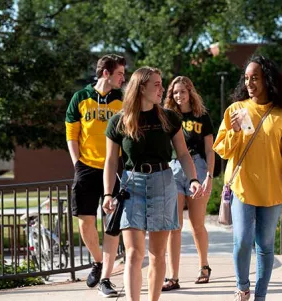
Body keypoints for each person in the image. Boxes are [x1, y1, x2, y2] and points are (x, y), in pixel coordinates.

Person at [102, 67, 203, 301]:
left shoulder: (169, 118)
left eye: (161, 83)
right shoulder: (119, 121)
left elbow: (184, 154)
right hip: (131, 186)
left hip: (163, 184)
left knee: (157, 254)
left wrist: (193, 179)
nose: (162, 88)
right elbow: (109, 161)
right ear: (141, 88)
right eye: (156, 84)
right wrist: (108, 194)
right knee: (134, 254)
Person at [213, 55, 282, 301]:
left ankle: (260, 296)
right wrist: (233, 131)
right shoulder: (237, 110)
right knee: (243, 240)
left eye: (255, 78)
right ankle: (242, 288)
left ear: (267, 79)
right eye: (246, 78)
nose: (250, 83)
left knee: (265, 246)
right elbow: (222, 149)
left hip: (273, 190)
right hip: (243, 187)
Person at [65, 54, 126, 297]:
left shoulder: (121, 100)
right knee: (85, 221)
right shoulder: (80, 98)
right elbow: (71, 133)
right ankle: (98, 262)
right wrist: (76, 163)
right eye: (120, 73)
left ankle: (106, 277)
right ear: (106, 74)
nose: (123, 78)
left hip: (114, 166)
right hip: (86, 167)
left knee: (111, 223)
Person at [162, 76, 215, 291]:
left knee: (197, 223)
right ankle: (173, 277)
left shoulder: (202, 116)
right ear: (171, 95)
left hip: (198, 167)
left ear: (190, 92)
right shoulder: (167, 117)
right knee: (175, 225)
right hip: (173, 168)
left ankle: (204, 267)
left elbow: (210, 150)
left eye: (183, 91)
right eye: (175, 92)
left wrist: (209, 177)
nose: (179, 95)